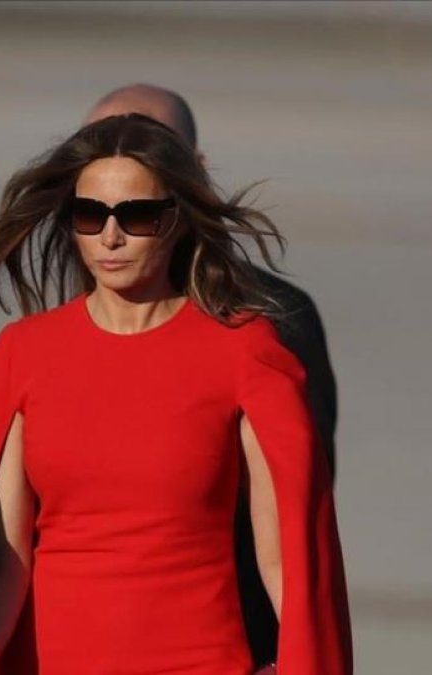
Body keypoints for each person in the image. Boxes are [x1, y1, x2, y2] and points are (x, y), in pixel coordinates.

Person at [0, 114, 351, 673]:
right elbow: (1, 563)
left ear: (177, 220)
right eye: (89, 215)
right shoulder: (22, 354)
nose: (110, 237)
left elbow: (286, 559)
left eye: (137, 216)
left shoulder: (244, 352)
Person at [86, 83, 340, 665]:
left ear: (194, 173)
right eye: (100, 146)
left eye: (154, 150)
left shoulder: (269, 322)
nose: (125, 165)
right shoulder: (42, 337)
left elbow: (295, 510)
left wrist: (284, 652)